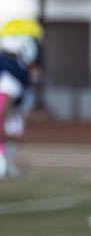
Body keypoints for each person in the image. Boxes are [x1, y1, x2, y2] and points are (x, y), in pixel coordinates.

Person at [0, 18, 41, 179]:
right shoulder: (12, 70)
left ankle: (6, 160)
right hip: (6, 114)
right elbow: (3, 106)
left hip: (10, 113)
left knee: (13, 126)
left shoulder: (14, 66)